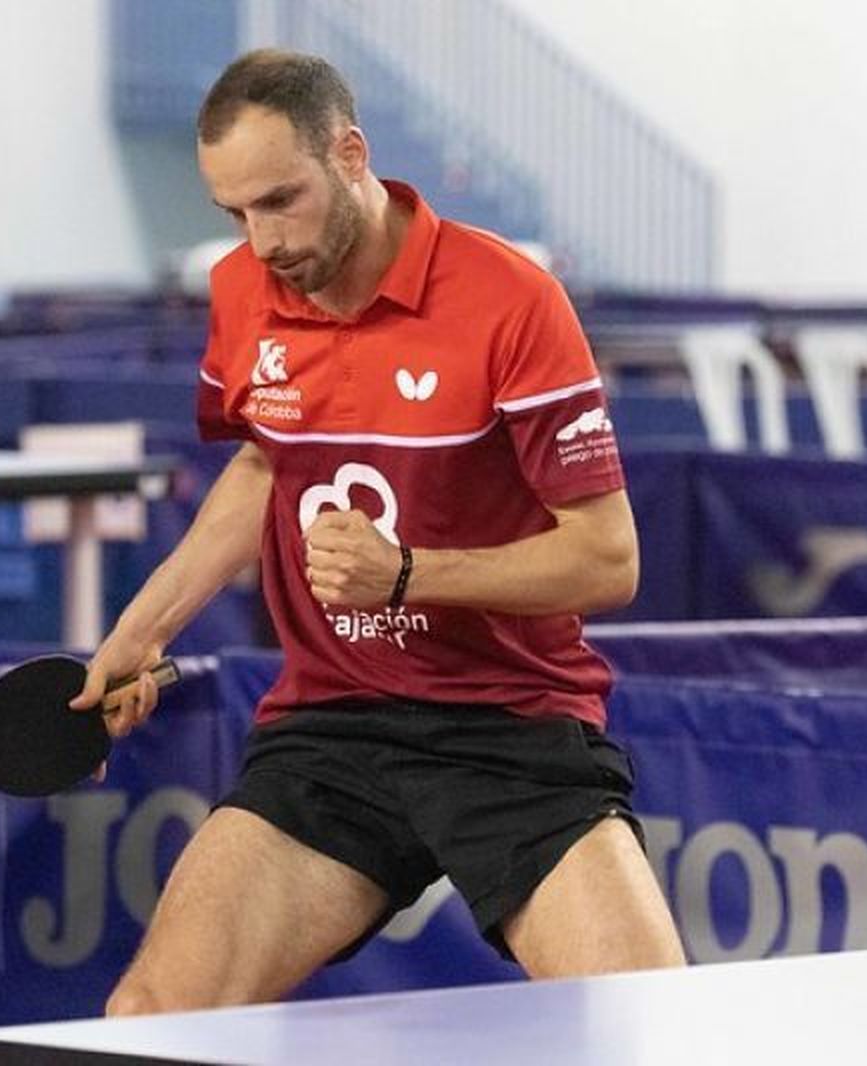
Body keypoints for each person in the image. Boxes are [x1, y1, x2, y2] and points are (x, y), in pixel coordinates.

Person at [70, 49, 687, 1015]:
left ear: (351, 154)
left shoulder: (511, 301)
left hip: (511, 729)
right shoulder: (243, 292)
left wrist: (406, 574)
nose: (262, 242)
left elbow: (609, 559)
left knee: (662, 1031)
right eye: (235, 214)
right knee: (148, 1021)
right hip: (333, 729)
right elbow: (264, 462)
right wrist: (143, 630)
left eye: (282, 200)